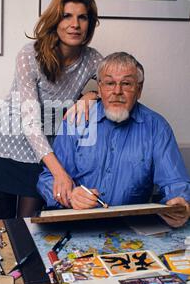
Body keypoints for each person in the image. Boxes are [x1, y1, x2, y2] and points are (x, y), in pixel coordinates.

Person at [0, 0, 103, 218]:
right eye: (67, 16)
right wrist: (59, 173)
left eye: (82, 17)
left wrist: (91, 96)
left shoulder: (92, 59)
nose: (75, 24)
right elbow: (30, 122)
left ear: (90, 24)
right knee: (6, 223)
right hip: (5, 144)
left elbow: (117, 81)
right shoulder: (29, 55)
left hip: (42, 151)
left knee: (32, 223)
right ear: (55, 21)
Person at [37, 52, 190, 228]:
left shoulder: (157, 127)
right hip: (76, 223)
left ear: (139, 90)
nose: (117, 91)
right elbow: (47, 178)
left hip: (132, 228)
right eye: (110, 83)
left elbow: (174, 181)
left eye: (126, 84)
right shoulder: (77, 120)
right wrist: (70, 196)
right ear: (99, 89)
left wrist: (178, 202)